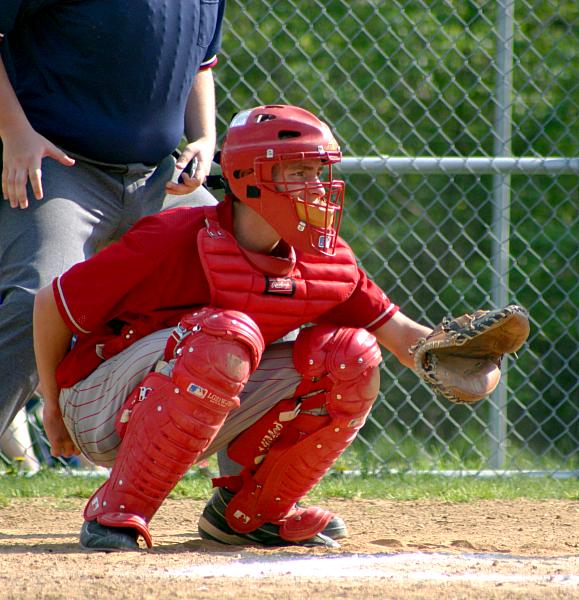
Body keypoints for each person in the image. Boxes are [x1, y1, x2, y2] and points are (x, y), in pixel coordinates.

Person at [33, 105, 433, 551]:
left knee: (351, 353)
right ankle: (119, 510)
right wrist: (53, 406)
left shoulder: (327, 260)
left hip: (201, 391)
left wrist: (464, 360)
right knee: (225, 334)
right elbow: (52, 304)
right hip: (99, 403)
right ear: (250, 178)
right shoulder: (176, 234)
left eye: (319, 172)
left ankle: (249, 514)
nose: (317, 188)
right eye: (300, 171)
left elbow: (402, 337)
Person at [0, 0, 225, 438]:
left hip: (162, 179)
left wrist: (203, 135)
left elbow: (200, 64)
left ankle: (249, 496)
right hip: (60, 168)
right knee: (36, 301)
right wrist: (14, 131)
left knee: (251, 278)